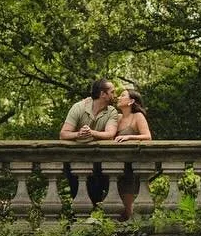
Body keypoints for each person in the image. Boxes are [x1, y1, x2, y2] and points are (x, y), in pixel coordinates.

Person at [58, 78, 120, 204]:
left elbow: (110, 134)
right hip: (76, 160)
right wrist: (79, 134)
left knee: (97, 197)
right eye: (112, 92)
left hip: (99, 162)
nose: (115, 95)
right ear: (103, 94)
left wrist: (91, 132)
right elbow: (63, 134)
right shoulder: (79, 107)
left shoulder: (111, 111)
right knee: (78, 197)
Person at [112, 89, 152, 220]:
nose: (119, 97)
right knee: (115, 208)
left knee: (127, 207)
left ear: (131, 101)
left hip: (131, 167)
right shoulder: (117, 118)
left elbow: (148, 137)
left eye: (123, 95)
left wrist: (129, 137)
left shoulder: (137, 116)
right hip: (115, 165)